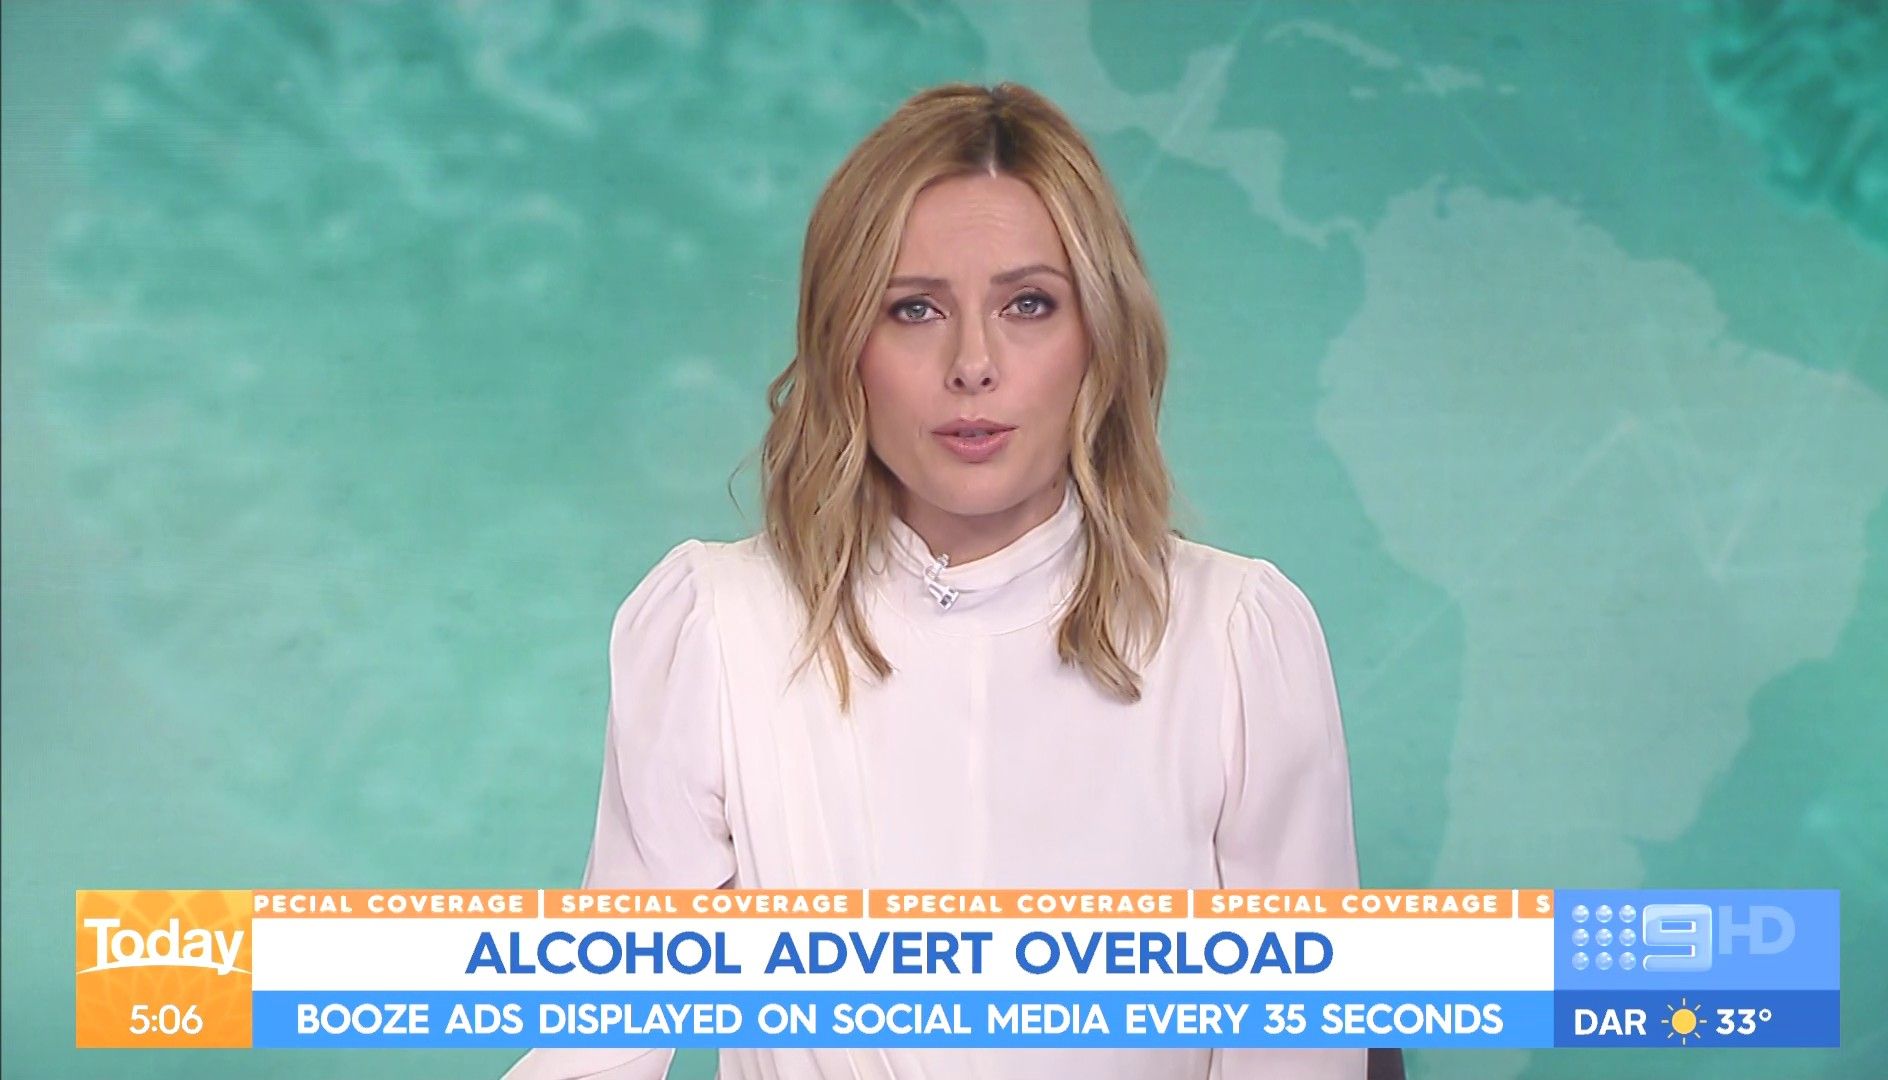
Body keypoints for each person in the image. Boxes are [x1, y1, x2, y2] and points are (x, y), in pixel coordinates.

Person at [503, 81, 1365, 1080]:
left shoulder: (1237, 638)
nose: (973, 365)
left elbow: (1301, 1050)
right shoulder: (717, 627)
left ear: (1099, 336)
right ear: (846, 345)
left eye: (1028, 305)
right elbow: (598, 1039)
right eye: (914, 309)